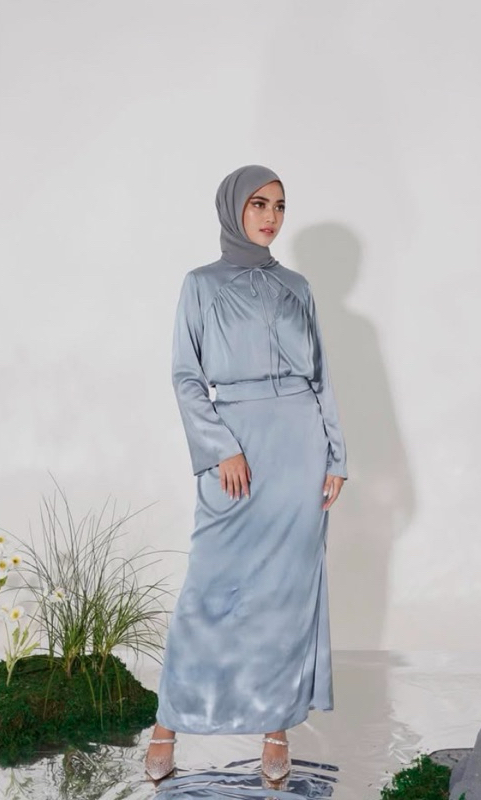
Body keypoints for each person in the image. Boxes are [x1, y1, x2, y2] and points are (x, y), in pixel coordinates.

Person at [145, 164, 348, 782]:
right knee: (211, 590)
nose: (270, 216)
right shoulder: (200, 285)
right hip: (236, 445)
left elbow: (321, 376)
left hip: (300, 449)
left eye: (279, 206)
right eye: (259, 204)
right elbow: (186, 375)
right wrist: (219, 448)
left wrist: (335, 455)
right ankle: (168, 722)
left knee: (286, 594)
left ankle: (275, 726)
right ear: (233, 208)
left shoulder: (297, 287)